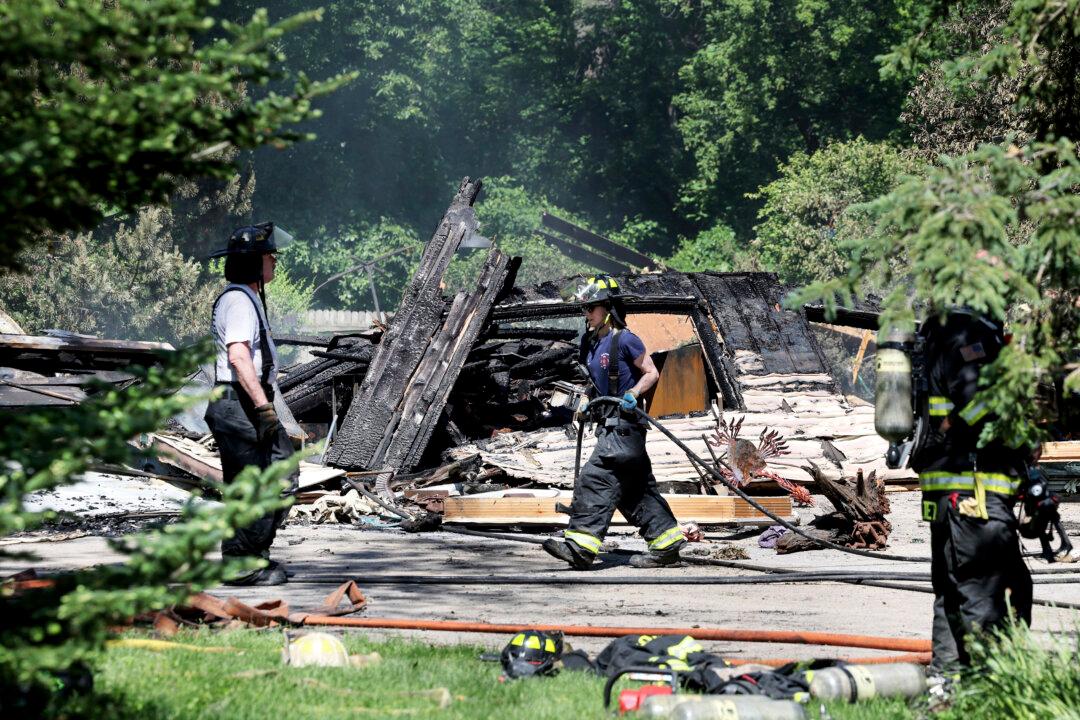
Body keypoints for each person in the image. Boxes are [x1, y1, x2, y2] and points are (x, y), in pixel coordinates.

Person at [911, 308, 1033, 670]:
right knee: (989, 591)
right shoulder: (969, 332)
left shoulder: (945, 329)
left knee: (952, 591)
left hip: (947, 491)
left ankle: (946, 682)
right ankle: (988, 687)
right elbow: (980, 401)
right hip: (974, 491)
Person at [542, 275, 686, 570]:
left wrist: (633, 393)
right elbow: (592, 381)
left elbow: (651, 373)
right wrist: (584, 400)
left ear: (608, 308)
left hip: (625, 428)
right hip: (607, 425)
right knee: (635, 491)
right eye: (584, 309)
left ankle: (580, 548)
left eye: (591, 308)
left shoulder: (625, 339)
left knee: (595, 478)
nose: (587, 315)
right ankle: (667, 545)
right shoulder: (590, 342)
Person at [205, 222, 298, 586]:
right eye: (268, 255)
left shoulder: (246, 298)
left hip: (244, 402)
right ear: (253, 262)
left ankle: (252, 555)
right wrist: (262, 409)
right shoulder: (239, 302)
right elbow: (239, 358)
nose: (274, 260)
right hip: (239, 404)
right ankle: (242, 564)